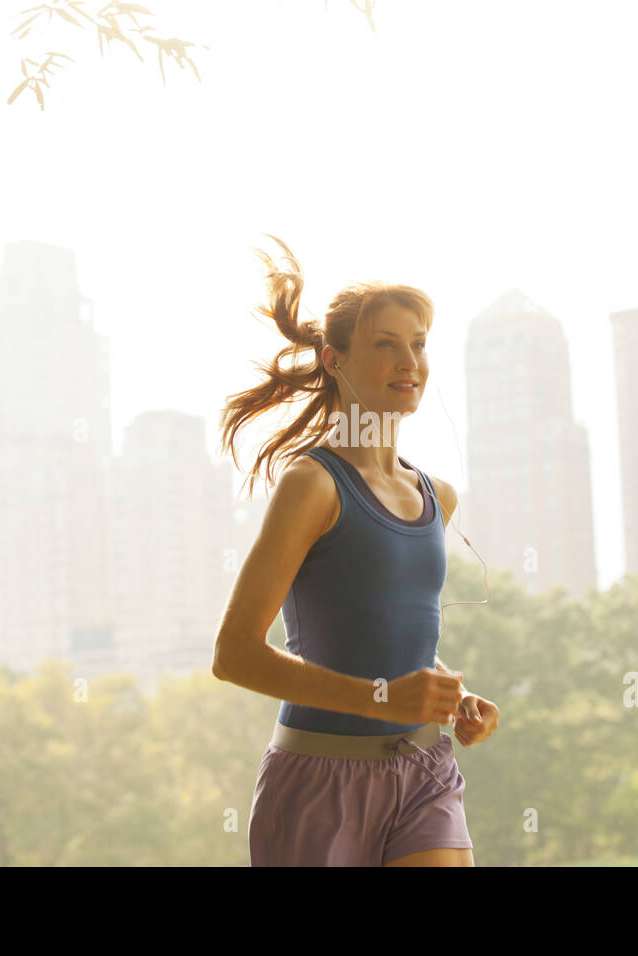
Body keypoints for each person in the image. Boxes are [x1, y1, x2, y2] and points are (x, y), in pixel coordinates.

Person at [212, 236, 499, 866]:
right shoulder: (311, 485)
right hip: (319, 784)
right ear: (333, 359)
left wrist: (450, 694)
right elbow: (233, 656)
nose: (409, 361)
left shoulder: (437, 497)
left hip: (423, 772)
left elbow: (385, 633)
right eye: (385, 344)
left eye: (418, 344)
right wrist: (381, 697)